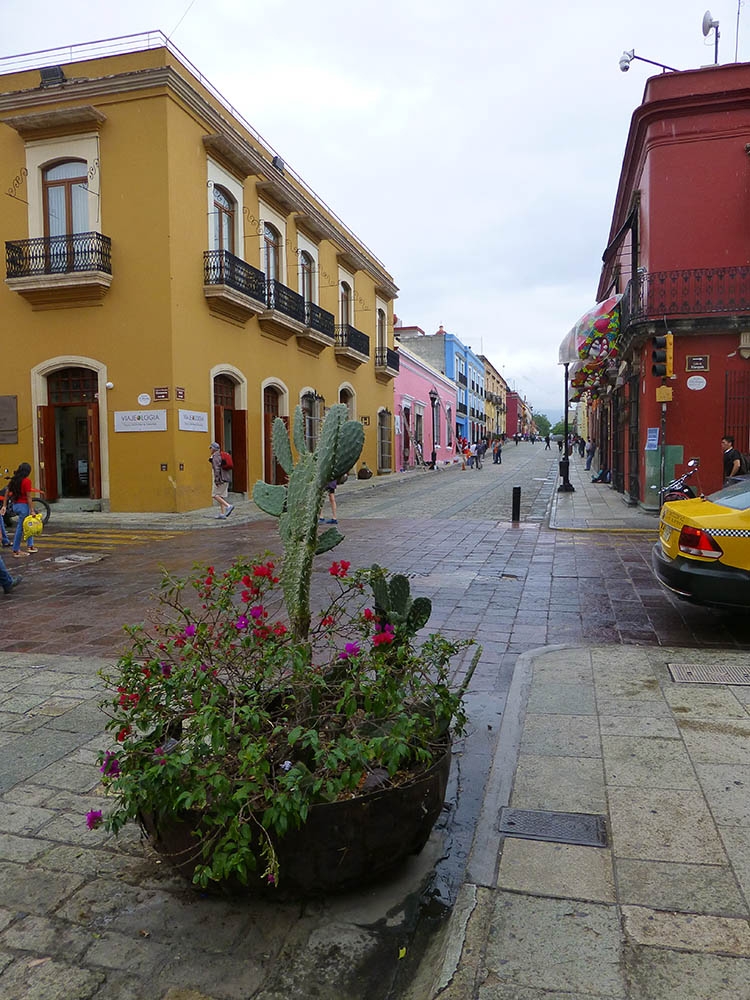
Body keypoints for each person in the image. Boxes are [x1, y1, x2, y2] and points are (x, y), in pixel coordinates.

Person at [0, 462, 42, 558]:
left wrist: (4, 506)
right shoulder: (26, 481)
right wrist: (32, 509)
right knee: (22, 528)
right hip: (24, 506)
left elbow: (7, 492)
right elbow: (28, 497)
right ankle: (16, 550)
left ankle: (30, 546)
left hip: (15, 505)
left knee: (28, 525)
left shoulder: (14, 480)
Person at [209, 442, 234, 519]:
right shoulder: (221, 455)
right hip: (226, 478)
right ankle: (223, 514)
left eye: (211, 448)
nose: (210, 449)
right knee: (221, 496)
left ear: (213, 449)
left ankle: (228, 506)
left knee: (215, 495)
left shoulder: (216, 456)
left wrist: (217, 480)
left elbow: (217, 469)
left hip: (221, 479)